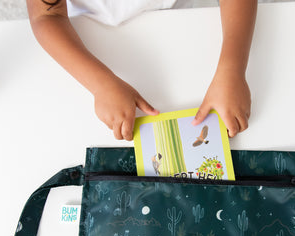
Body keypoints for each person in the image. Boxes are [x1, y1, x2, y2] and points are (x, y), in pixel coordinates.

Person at [27, 0, 257, 140]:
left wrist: (232, 69)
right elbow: (46, 15)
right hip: (85, 40)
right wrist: (101, 85)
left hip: (182, 21)